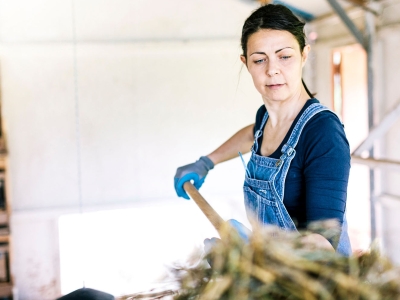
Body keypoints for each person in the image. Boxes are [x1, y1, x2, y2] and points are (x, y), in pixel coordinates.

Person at [174, 4, 351, 256]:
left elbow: (323, 244)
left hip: (316, 285)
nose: (272, 70)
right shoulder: (266, 116)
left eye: (285, 56)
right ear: (246, 63)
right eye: (259, 60)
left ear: (304, 54)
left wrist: (252, 252)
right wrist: (206, 162)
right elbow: (251, 133)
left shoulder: (323, 133)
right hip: (273, 278)